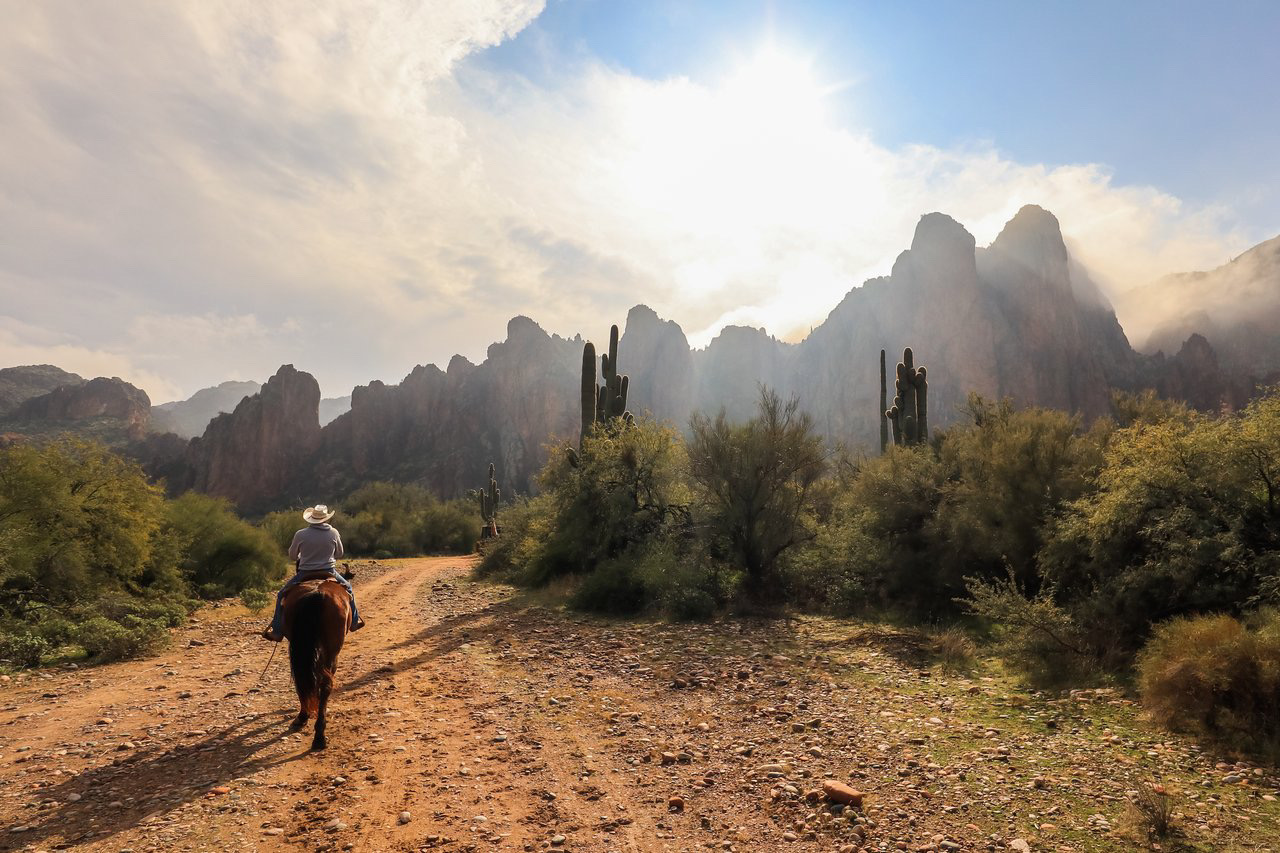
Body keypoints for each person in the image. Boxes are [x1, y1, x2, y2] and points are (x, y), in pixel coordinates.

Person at [262, 504, 364, 642]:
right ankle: (354, 622)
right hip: (329, 571)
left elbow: (292, 556)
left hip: (305, 572)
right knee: (349, 590)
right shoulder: (333, 532)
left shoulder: (301, 534)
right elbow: (339, 553)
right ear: (326, 518)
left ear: (311, 519)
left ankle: (277, 630)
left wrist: (303, 556)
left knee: (281, 595)